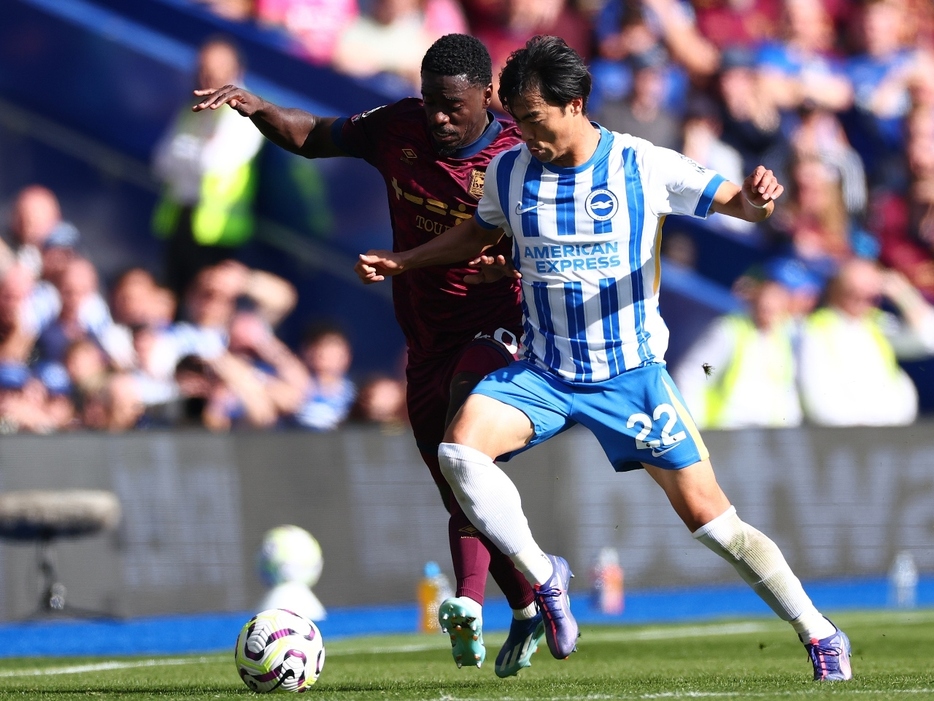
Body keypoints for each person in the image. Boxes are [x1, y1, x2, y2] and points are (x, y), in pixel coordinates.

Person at [356, 35, 853, 682]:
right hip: (544, 373)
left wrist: (759, 198)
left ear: (576, 105)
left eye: (533, 120)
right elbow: (478, 231)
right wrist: (404, 261)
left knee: (712, 521)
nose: (524, 135)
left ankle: (818, 631)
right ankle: (545, 575)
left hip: (630, 379)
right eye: (517, 119)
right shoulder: (510, 171)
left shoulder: (640, 166)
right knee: (458, 454)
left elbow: (740, 204)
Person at [192, 33, 542, 677]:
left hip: (501, 329)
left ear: (487, 97)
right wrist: (257, 106)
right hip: (426, 338)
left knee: (465, 449)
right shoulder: (399, 127)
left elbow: (562, 233)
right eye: (430, 101)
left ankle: (468, 601)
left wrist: (514, 263)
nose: (438, 116)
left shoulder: (518, 156)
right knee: (459, 490)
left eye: (452, 105)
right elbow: (313, 134)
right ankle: (527, 603)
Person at [151, 36, 265, 302]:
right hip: (180, 220)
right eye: (202, 71)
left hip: (218, 235)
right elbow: (161, 161)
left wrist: (188, 152)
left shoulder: (246, 115)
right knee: (170, 297)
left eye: (214, 72)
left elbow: (213, 164)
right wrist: (196, 152)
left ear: (235, 72)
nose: (206, 79)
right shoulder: (191, 108)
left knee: (205, 304)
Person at [797, 257, 934, 426]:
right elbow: (817, 396)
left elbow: (928, 339)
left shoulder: (876, 324)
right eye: (853, 291)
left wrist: (904, 294)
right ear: (835, 289)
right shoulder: (817, 327)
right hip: (848, 437)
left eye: (870, 294)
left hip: (888, 433)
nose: (862, 299)